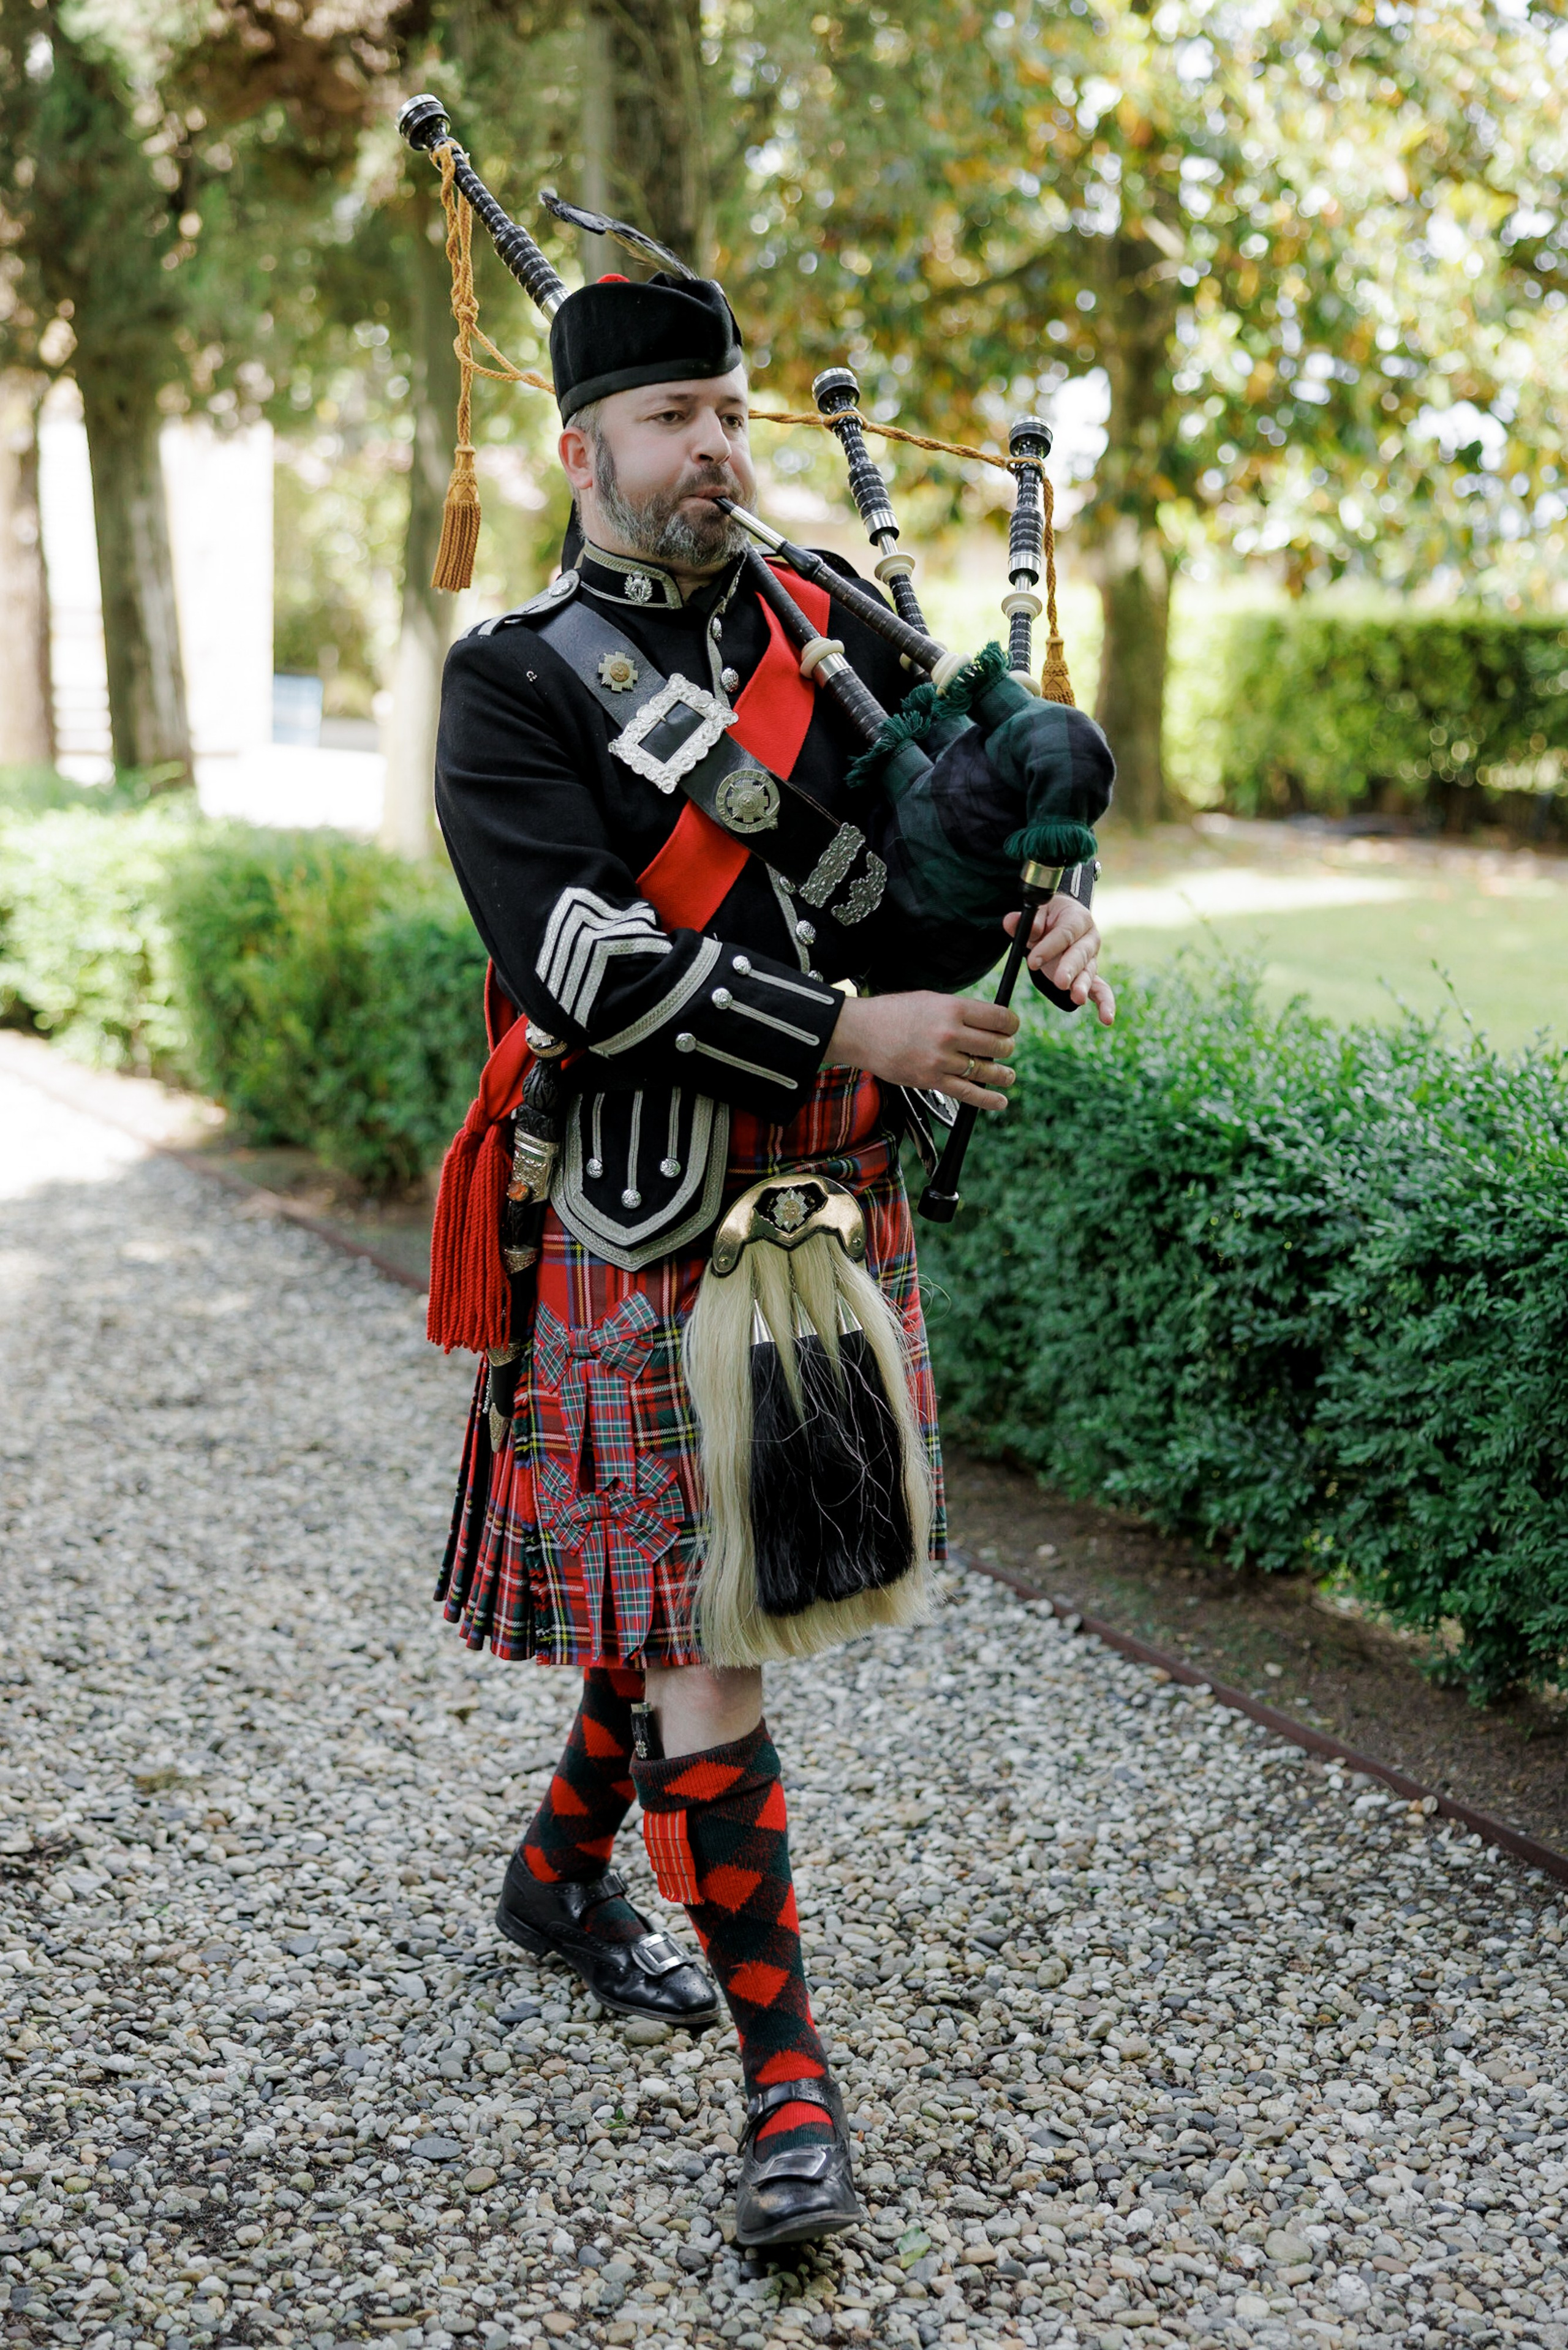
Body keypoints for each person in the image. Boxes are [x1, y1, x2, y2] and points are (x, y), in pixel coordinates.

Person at [429, 265, 1114, 2250]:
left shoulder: (829, 614)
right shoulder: (516, 682)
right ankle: (791, 2100)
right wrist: (853, 1032)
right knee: (714, 1619)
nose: (717, 446)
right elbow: (592, 967)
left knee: (703, 1583)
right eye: (672, 419)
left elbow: (951, 844)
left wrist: (1045, 919)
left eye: (731, 410)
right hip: (646, 1204)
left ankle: (562, 1873)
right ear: (583, 455)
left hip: (829, 1196)